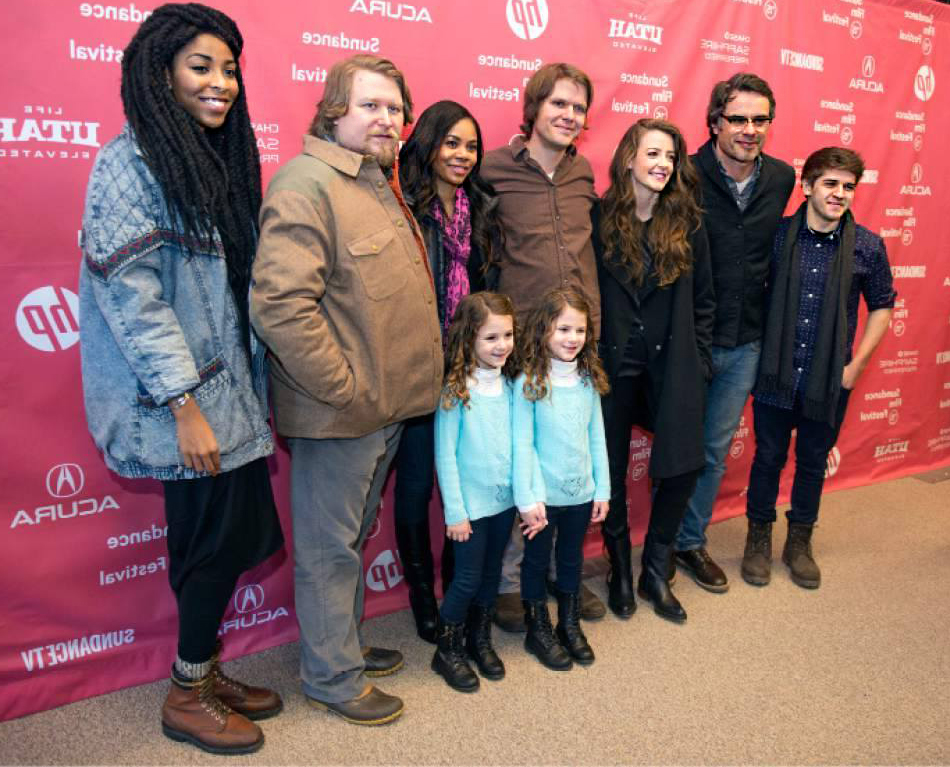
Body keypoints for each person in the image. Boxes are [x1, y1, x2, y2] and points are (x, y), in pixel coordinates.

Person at [78, 3, 283, 755]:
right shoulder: (127, 164)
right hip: (180, 406)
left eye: (230, 68)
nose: (221, 82)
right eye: (202, 65)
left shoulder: (210, 158)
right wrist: (185, 406)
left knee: (226, 540)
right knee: (211, 547)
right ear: (158, 70)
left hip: (230, 399)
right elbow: (132, 299)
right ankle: (185, 694)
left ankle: (202, 669)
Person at [250, 54, 442, 726]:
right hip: (342, 413)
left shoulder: (371, 181)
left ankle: (345, 644)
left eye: (395, 108)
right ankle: (332, 677)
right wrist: (346, 389)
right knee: (331, 549)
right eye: (371, 106)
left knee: (352, 537)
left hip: (382, 407)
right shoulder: (306, 184)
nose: (388, 119)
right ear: (334, 111)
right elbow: (278, 305)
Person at [481, 62, 605, 629]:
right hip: (519, 345)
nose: (569, 116)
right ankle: (509, 581)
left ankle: (562, 572)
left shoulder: (584, 175)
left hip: (575, 345)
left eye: (578, 108)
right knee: (520, 463)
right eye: (558, 104)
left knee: (566, 460)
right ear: (533, 108)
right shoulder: (494, 170)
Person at [741, 147, 895, 589]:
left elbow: (883, 305)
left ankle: (799, 543)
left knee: (811, 461)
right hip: (775, 373)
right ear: (807, 186)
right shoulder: (777, 235)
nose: (840, 194)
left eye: (848, 186)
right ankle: (758, 540)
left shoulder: (867, 245)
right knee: (768, 457)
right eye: (830, 183)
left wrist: (855, 366)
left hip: (829, 378)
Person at [673, 73, 796, 593]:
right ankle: (656, 547)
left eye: (760, 119)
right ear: (714, 122)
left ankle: (689, 542)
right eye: (738, 118)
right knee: (676, 446)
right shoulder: (683, 174)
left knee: (715, 449)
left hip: (746, 341)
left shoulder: (783, 178)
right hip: (688, 338)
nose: (749, 129)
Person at [596, 119, 715, 623]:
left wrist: (701, 361)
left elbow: (706, 300)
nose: (664, 164)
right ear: (629, 159)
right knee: (611, 467)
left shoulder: (688, 224)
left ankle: (656, 568)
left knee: (685, 462)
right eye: (653, 153)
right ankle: (619, 568)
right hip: (613, 366)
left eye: (671, 156)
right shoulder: (598, 218)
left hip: (674, 364)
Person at [394, 101, 502, 644]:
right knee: (416, 489)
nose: (463, 155)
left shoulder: (479, 210)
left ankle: (452, 582)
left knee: (467, 488)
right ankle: (420, 597)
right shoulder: (403, 208)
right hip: (417, 373)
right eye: (452, 142)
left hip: (467, 376)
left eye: (471, 145)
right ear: (429, 143)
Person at [513, 288, 610, 669]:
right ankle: (538, 629)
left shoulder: (587, 381)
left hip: (581, 494)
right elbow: (523, 445)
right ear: (543, 331)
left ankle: (569, 624)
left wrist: (601, 488)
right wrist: (528, 498)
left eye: (580, 330)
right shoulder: (529, 383)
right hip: (542, 499)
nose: (572, 339)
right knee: (536, 562)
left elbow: (596, 437)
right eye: (563, 329)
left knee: (571, 560)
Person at [431, 292, 517, 691]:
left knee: (490, 574)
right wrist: (455, 513)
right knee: (466, 579)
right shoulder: (455, 391)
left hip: (502, 505)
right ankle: (446, 649)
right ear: (469, 339)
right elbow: (446, 456)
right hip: (468, 510)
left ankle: (478, 639)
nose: (502, 346)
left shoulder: (511, 389)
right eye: (491, 338)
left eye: (507, 336)